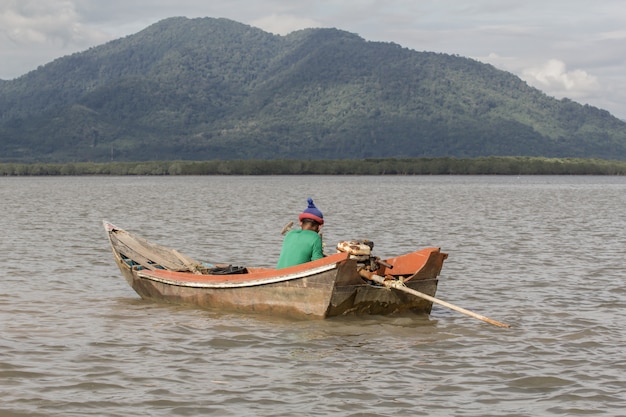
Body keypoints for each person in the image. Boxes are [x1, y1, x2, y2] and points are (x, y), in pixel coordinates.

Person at [276, 198, 325, 269]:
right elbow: (318, 264)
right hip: (295, 274)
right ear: (320, 226)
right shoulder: (315, 237)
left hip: (279, 272)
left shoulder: (289, 234)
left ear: (300, 223)